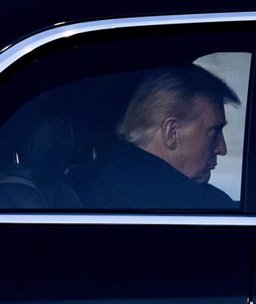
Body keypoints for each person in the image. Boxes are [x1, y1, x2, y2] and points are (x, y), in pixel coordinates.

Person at [76, 64, 240, 209]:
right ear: (172, 133)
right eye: (214, 131)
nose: (222, 148)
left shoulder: (88, 186)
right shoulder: (201, 206)